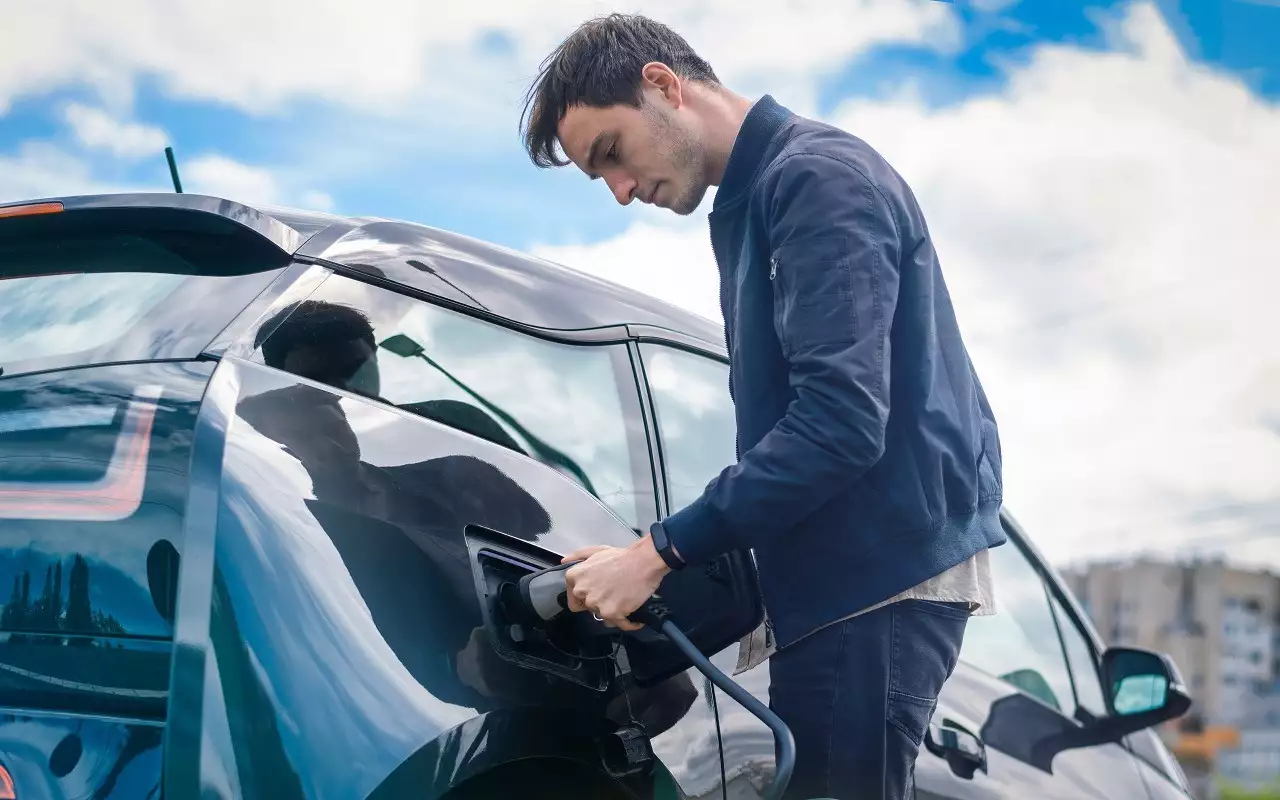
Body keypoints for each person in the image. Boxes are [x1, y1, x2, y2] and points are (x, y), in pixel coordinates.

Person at [519, 14, 1007, 799]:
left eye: (611, 152)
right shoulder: (763, 197)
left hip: (872, 585)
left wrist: (656, 553)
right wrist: (657, 572)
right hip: (846, 583)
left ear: (663, 84)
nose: (618, 192)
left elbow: (839, 426)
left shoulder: (818, 180)